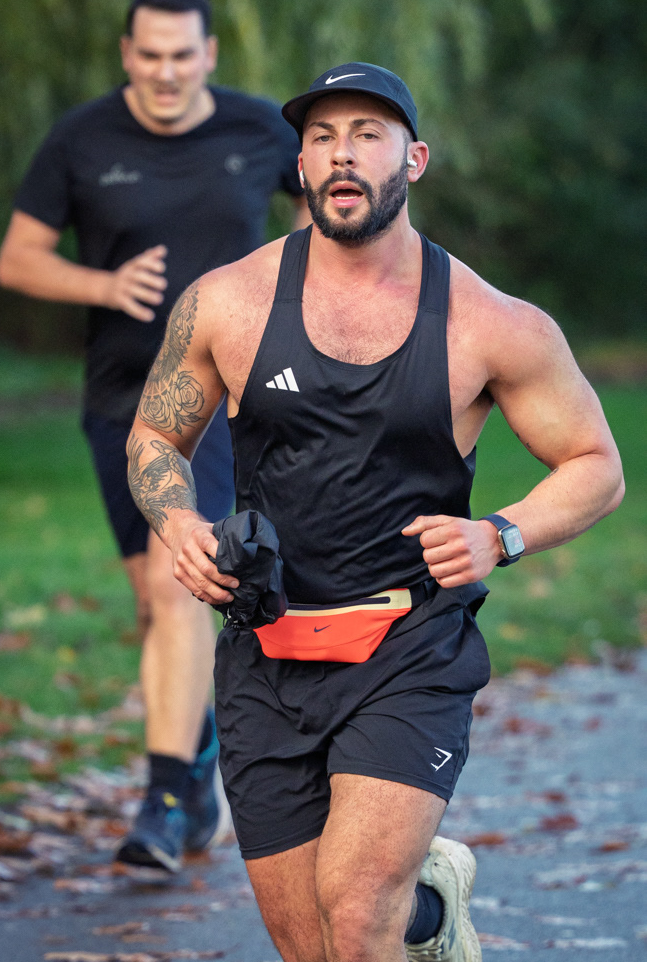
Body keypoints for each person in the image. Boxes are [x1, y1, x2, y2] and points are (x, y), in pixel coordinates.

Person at [125, 61, 624, 961]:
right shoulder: (228, 301)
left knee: (355, 918)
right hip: (265, 650)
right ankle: (429, 914)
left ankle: (397, 912)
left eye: (366, 135)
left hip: (408, 648)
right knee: (313, 943)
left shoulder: (488, 322)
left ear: (414, 159)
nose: (341, 155)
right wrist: (181, 526)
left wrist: (499, 534)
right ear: (302, 164)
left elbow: (595, 466)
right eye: (321, 137)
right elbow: (155, 439)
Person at [0, 0, 307, 879]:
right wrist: (103, 285)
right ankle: (201, 770)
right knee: (153, 602)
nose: (166, 72)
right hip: (118, 398)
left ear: (209, 55)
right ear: (128, 56)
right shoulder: (81, 139)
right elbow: (17, 260)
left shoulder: (258, 129)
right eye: (150, 56)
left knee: (177, 589)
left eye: (182, 55)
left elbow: (321, 214)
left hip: (217, 401)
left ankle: (163, 801)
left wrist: (281, 292)